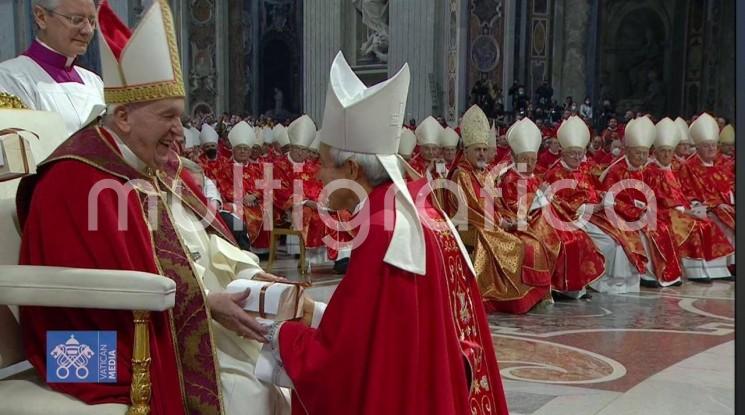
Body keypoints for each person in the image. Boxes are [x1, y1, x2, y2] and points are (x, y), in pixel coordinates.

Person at [16, 2, 290, 414]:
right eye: (169, 117)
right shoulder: (77, 179)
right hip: (94, 347)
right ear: (123, 117)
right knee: (248, 393)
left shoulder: (156, 165)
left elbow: (204, 240)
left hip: (179, 312)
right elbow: (87, 296)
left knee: (276, 374)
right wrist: (203, 302)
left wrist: (246, 274)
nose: (182, 133)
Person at [257, 51, 509, 415]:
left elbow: (345, 360)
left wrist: (281, 335)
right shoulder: (408, 207)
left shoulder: (382, 229)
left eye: (324, 165)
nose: (317, 176)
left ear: (353, 169)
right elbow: (380, 326)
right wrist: (312, 312)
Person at [543, 116, 648, 296]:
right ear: (562, 152)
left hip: (595, 215)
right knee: (609, 243)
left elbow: (593, 188)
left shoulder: (583, 169)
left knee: (622, 236)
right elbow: (559, 204)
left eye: (580, 153)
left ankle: (620, 282)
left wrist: (602, 197)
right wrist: (591, 207)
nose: (577, 157)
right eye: (572, 153)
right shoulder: (555, 173)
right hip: (572, 219)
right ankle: (600, 282)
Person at [644, 118, 734, 282]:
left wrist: (688, 206)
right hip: (664, 212)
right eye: (663, 151)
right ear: (655, 151)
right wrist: (685, 208)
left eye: (669, 151)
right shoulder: (650, 171)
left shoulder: (671, 169)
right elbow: (658, 197)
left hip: (684, 209)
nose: (667, 155)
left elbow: (682, 192)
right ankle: (695, 272)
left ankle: (716, 270)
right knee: (695, 226)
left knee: (707, 224)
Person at [0, 0, 104, 137]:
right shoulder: (10, 78)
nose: (88, 31)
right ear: (41, 17)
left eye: (92, 21)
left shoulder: (95, 82)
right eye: (76, 20)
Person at [600, 117, 682, 287]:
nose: (642, 157)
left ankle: (666, 274)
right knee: (645, 231)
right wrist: (635, 212)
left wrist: (650, 210)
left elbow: (656, 195)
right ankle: (646, 273)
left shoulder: (648, 171)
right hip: (620, 215)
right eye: (638, 153)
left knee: (663, 227)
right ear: (627, 150)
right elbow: (609, 197)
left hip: (644, 213)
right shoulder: (616, 171)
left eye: (644, 153)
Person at [491, 118, 560, 313]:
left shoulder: (534, 176)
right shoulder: (509, 177)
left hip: (537, 219)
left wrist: (545, 197)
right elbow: (511, 205)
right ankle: (537, 293)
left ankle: (553, 288)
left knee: (560, 235)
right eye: (525, 159)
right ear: (514, 156)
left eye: (533, 159)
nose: (529, 164)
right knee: (536, 245)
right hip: (518, 222)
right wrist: (537, 200)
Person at [677, 113, 736, 256]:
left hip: (724, 206)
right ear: (697, 148)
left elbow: (729, 189)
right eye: (706, 146)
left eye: (713, 145)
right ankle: (727, 262)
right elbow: (687, 191)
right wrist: (715, 205)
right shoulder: (688, 167)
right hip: (704, 208)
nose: (711, 149)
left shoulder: (720, 167)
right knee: (722, 217)